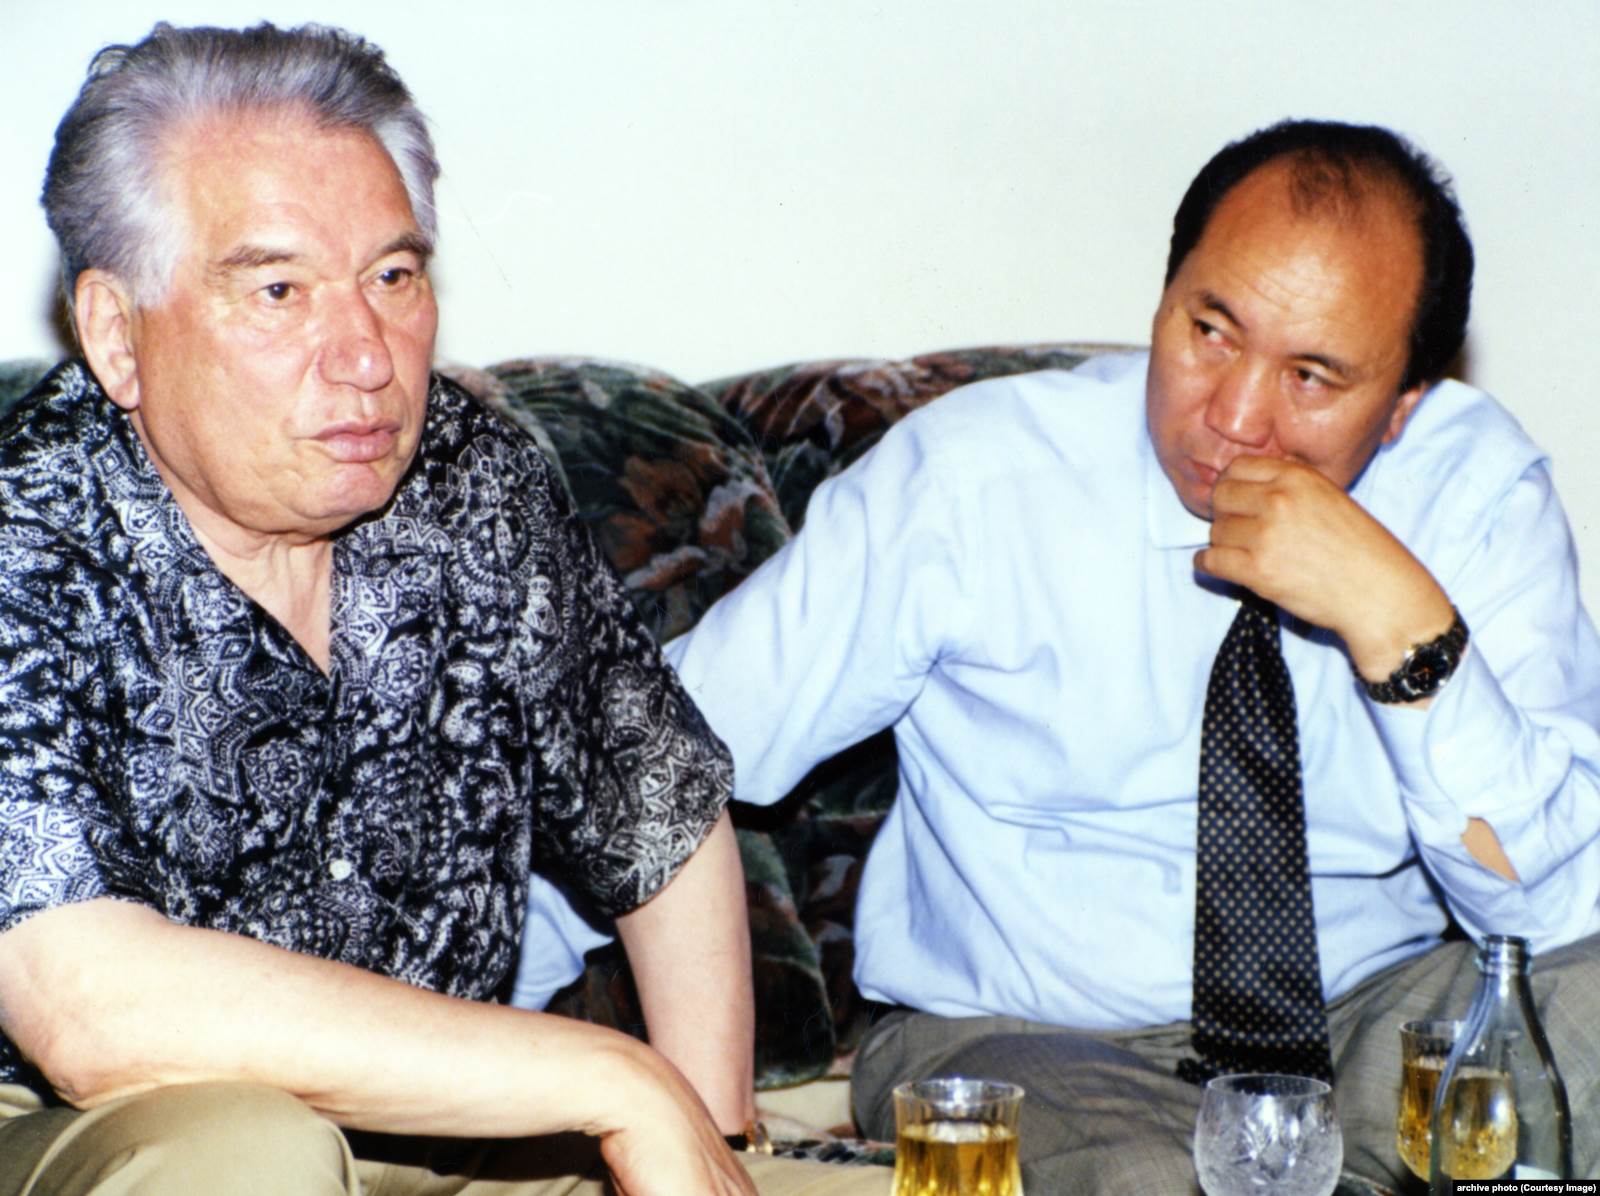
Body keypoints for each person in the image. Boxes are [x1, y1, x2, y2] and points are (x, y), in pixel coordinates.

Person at [0, 21, 889, 1196]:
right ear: (118, 333)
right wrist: (615, 1078)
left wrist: (711, 1133)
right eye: (278, 290)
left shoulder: (473, 484)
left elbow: (657, 811)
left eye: (393, 276)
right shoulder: (26, 534)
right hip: (89, 1133)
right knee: (248, 1153)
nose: (366, 355)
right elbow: (88, 1007)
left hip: (446, 1137)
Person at [664, 119, 1600, 1190]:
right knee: (1161, 1181)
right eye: (1211, 330)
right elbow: (652, 756)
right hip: (1023, 1041)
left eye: (1311, 376)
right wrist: (518, 1045)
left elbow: (1553, 918)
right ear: (1163, 297)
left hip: (1365, 1020)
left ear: (1401, 408)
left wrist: (1399, 625)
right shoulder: (971, 480)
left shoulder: (1474, 492)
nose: (1233, 418)